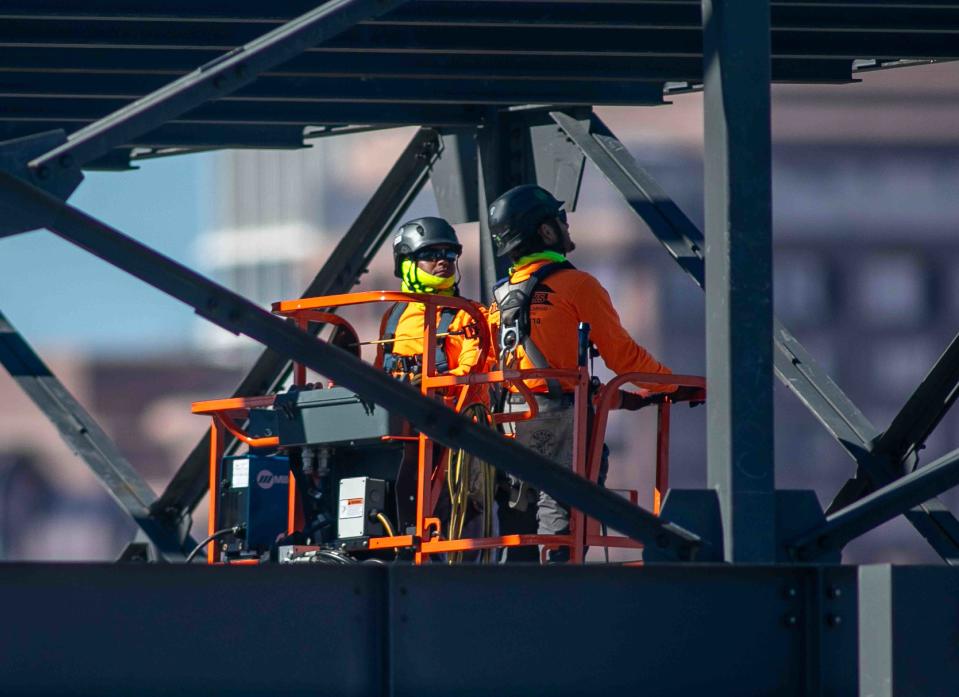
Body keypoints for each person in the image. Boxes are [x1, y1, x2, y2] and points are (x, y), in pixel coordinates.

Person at [486, 184, 683, 562]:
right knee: (563, 518)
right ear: (544, 232)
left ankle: (515, 594)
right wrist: (672, 385)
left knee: (517, 524)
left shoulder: (497, 299)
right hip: (559, 419)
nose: (566, 227)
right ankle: (557, 591)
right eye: (560, 220)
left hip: (506, 423)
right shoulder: (577, 286)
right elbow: (624, 356)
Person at [376, 217, 493, 550]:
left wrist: (437, 394)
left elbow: (474, 369)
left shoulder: (466, 315)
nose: (443, 261)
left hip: (453, 437)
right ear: (407, 262)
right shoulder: (394, 317)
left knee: (457, 520)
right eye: (431, 253)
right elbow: (380, 368)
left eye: (449, 254)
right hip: (404, 434)